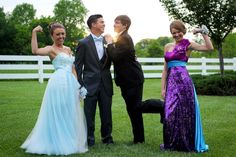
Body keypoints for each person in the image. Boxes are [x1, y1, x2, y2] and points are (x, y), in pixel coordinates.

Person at [21, 23, 88, 155]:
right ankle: (55, 140)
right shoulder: (50, 49)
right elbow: (35, 51)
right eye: (57, 34)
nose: (61, 36)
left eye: (62, 33)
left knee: (68, 110)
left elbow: (73, 68)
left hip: (70, 84)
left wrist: (77, 86)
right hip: (58, 83)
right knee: (58, 110)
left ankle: (68, 138)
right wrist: (34, 32)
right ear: (52, 36)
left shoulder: (68, 49)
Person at [161, 20, 214, 152]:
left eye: (178, 32)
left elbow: (209, 48)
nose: (176, 35)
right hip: (171, 82)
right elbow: (165, 70)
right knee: (169, 113)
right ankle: (172, 143)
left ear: (183, 31)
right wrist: (163, 88)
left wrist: (204, 33)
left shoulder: (188, 44)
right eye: (173, 33)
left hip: (184, 82)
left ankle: (186, 143)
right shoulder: (167, 46)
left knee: (186, 113)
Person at [74, 14, 114, 146]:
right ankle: (89, 139)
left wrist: (111, 44)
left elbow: (115, 58)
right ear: (93, 24)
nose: (104, 24)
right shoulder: (83, 43)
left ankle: (107, 138)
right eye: (101, 22)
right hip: (89, 84)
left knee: (106, 113)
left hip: (106, 83)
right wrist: (80, 85)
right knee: (89, 114)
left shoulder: (107, 42)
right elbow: (78, 66)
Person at [105, 15, 145, 144]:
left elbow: (115, 57)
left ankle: (160, 106)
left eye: (116, 23)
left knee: (135, 107)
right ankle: (139, 139)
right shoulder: (122, 38)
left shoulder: (125, 38)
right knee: (132, 109)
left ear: (125, 25)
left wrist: (110, 43)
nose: (114, 25)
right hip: (127, 80)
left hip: (132, 79)